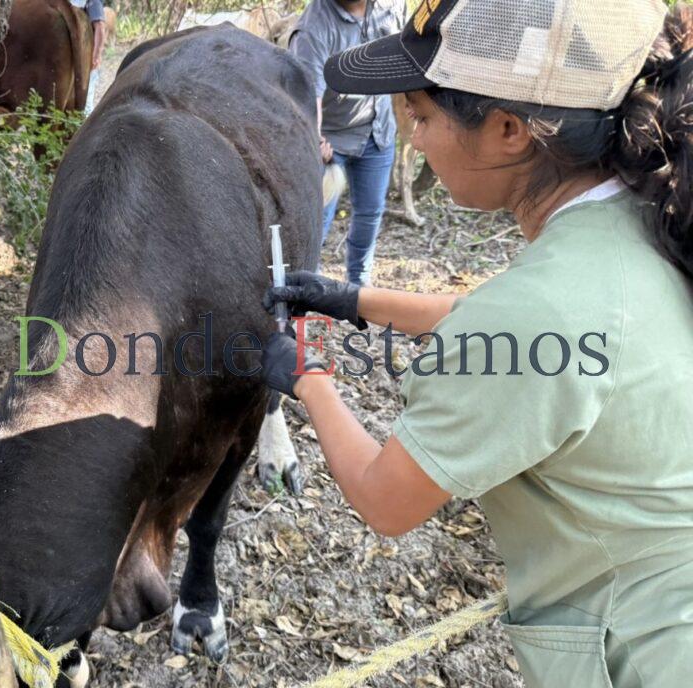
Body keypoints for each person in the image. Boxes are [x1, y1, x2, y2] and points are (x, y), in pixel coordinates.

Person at [260, 1, 693, 686]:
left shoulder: (539, 311)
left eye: (422, 116)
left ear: (508, 130)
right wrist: (354, 300)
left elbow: (384, 498)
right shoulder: (639, 213)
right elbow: (508, 324)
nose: (414, 138)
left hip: (645, 654)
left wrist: (307, 376)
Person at [289, 0, 405, 285]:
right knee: (317, 221)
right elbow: (308, 96)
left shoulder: (390, 7)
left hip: (378, 131)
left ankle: (359, 286)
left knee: (370, 213)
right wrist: (314, 140)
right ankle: (305, 289)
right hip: (331, 141)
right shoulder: (313, 28)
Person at [73, 0, 107, 116]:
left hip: (78, 55)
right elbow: (100, 26)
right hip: (83, 55)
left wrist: (96, 56)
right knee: (85, 100)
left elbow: (100, 27)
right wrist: (96, 56)